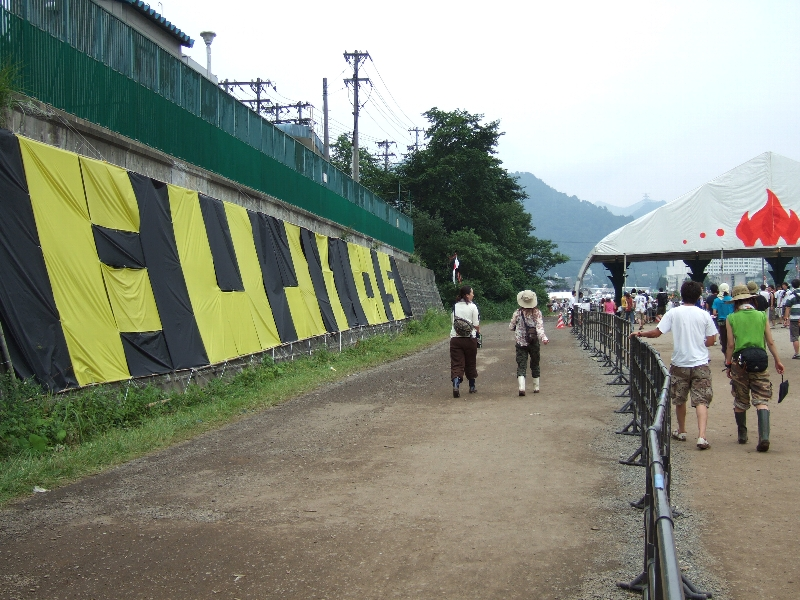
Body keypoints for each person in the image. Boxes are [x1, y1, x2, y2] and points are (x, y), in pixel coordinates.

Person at [633, 281, 717, 450]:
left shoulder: (673, 313)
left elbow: (657, 332)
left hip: (680, 362)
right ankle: (701, 436)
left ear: (682, 294)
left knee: (680, 399)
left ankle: (682, 430)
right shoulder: (704, 315)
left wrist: (640, 333)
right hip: (700, 362)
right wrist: (700, 343)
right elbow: (711, 340)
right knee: (701, 400)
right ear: (699, 296)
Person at [725, 284, 785, 452]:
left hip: (740, 362)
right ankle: (764, 436)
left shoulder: (731, 318)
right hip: (760, 360)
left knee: (740, 399)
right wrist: (777, 361)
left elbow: (730, 344)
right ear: (751, 299)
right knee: (762, 399)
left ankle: (742, 435)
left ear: (735, 302)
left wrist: (728, 364)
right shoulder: (761, 316)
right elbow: (770, 341)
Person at [509, 290, 549, 396]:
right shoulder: (537, 313)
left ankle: (522, 388)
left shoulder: (517, 313)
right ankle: (536, 387)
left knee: (521, 365)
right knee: (535, 363)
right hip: (533, 341)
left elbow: (511, 327)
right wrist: (544, 338)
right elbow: (539, 328)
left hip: (520, 342)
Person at [450, 285, 480, 397]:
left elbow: (453, 322)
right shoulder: (473, 307)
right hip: (469, 339)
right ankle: (472, 386)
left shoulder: (455, 306)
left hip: (455, 339)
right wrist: (478, 332)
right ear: (467, 295)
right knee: (470, 362)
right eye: (472, 293)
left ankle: (456, 384)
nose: (473, 295)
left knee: (457, 363)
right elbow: (476, 324)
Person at [712, 283, 733, 356]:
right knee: (731, 340)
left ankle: (726, 356)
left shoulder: (716, 300)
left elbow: (714, 313)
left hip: (721, 323)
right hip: (731, 321)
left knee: (723, 340)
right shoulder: (732, 299)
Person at [782, 278, 800, 359]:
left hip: (794, 319)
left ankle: (797, 353)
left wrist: (786, 319)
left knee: (795, 336)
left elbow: (788, 308)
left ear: (792, 285)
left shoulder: (791, 296)